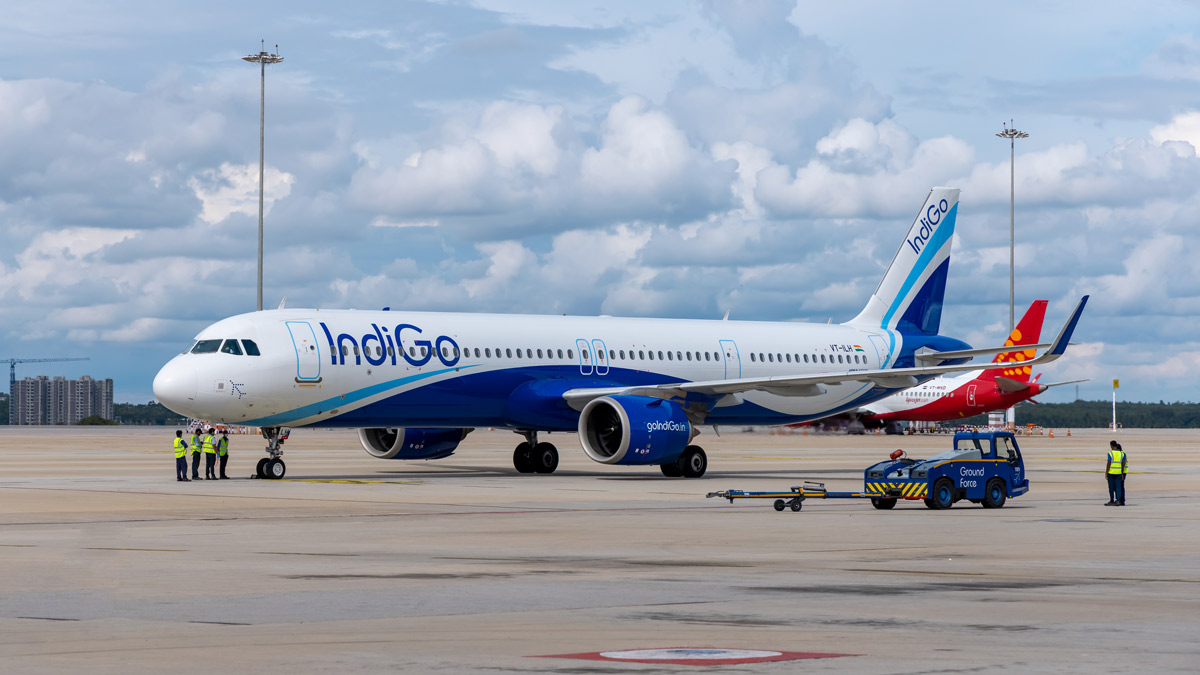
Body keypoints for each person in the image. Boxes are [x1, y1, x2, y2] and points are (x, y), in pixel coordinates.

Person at [1105, 440, 1128, 506]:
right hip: (1119, 472)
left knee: (1111, 487)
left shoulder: (1110, 453)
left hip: (1111, 472)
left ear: (1111, 446)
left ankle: (1112, 500)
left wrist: (1106, 472)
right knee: (1118, 487)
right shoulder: (1122, 454)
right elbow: (1123, 464)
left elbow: (1109, 463)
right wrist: (1122, 473)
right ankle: (1118, 500)